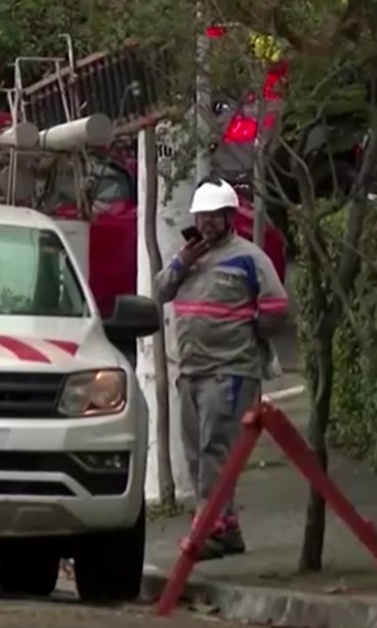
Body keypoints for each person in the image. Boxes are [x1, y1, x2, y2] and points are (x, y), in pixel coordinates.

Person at [152, 177, 290, 561]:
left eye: (215, 217)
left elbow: (277, 306)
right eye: (203, 217)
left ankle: (209, 527)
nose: (208, 224)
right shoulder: (189, 257)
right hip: (192, 372)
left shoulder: (249, 257)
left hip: (228, 372)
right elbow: (160, 292)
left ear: (230, 217)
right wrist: (182, 262)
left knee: (215, 452)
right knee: (197, 455)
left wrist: (251, 333)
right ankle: (225, 527)